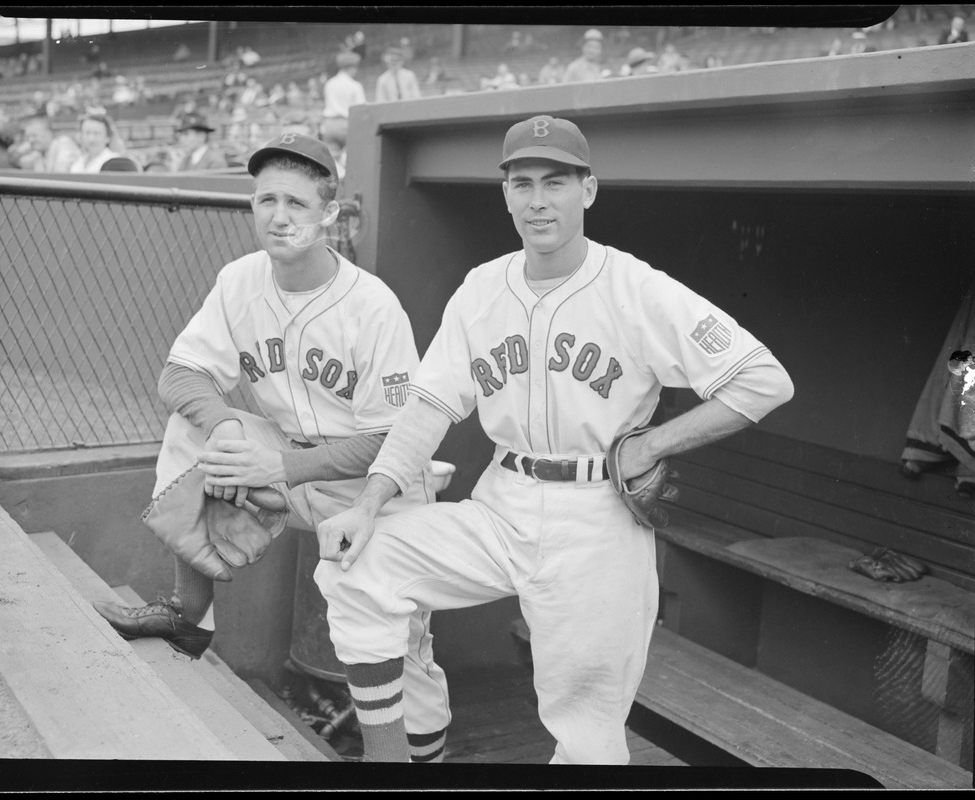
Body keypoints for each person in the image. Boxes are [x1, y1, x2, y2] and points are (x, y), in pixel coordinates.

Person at [313, 115, 796, 764]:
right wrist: (369, 503)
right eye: (522, 183)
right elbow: (429, 406)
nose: (538, 200)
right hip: (501, 503)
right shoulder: (482, 289)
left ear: (588, 190)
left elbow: (762, 380)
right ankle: (389, 761)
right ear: (505, 193)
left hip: (597, 522)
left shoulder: (637, 288)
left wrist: (653, 445)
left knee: (589, 741)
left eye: (556, 182)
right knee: (358, 564)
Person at [92, 132, 452, 762]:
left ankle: (418, 759)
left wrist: (276, 464)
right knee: (193, 428)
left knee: (401, 646)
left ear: (329, 216)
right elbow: (178, 375)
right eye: (265, 201)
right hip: (282, 461)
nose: (278, 217)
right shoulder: (240, 279)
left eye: (296, 203)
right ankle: (189, 615)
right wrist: (228, 428)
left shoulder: (373, 306)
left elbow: (392, 439)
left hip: (374, 487)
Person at [321, 51, 367, 150]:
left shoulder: (329, 83)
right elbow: (361, 109)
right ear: (351, 68)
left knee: (332, 159)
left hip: (329, 125)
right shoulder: (355, 85)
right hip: (346, 125)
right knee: (352, 156)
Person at [16, 115, 81, 173]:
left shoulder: (63, 143)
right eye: (28, 137)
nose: (31, 140)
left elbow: (60, 175)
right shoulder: (39, 153)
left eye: (34, 135)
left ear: (48, 133)